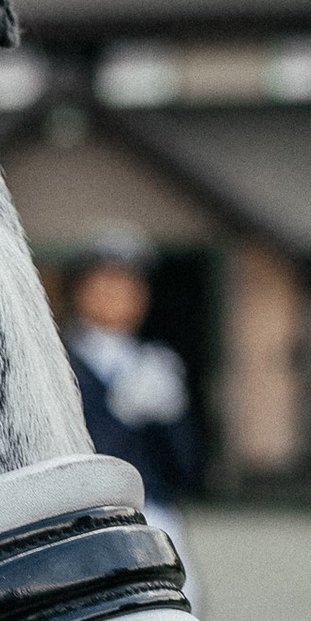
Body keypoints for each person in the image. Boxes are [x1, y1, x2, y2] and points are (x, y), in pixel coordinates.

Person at [61, 228, 204, 546]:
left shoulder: (155, 363)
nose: (120, 294)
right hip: (87, 524)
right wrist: (119, 416)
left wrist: (172, 416)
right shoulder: (59, 363)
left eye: (131, 285)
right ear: (82, 290)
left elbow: (188, 469)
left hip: (156, 519)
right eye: (108, 282)